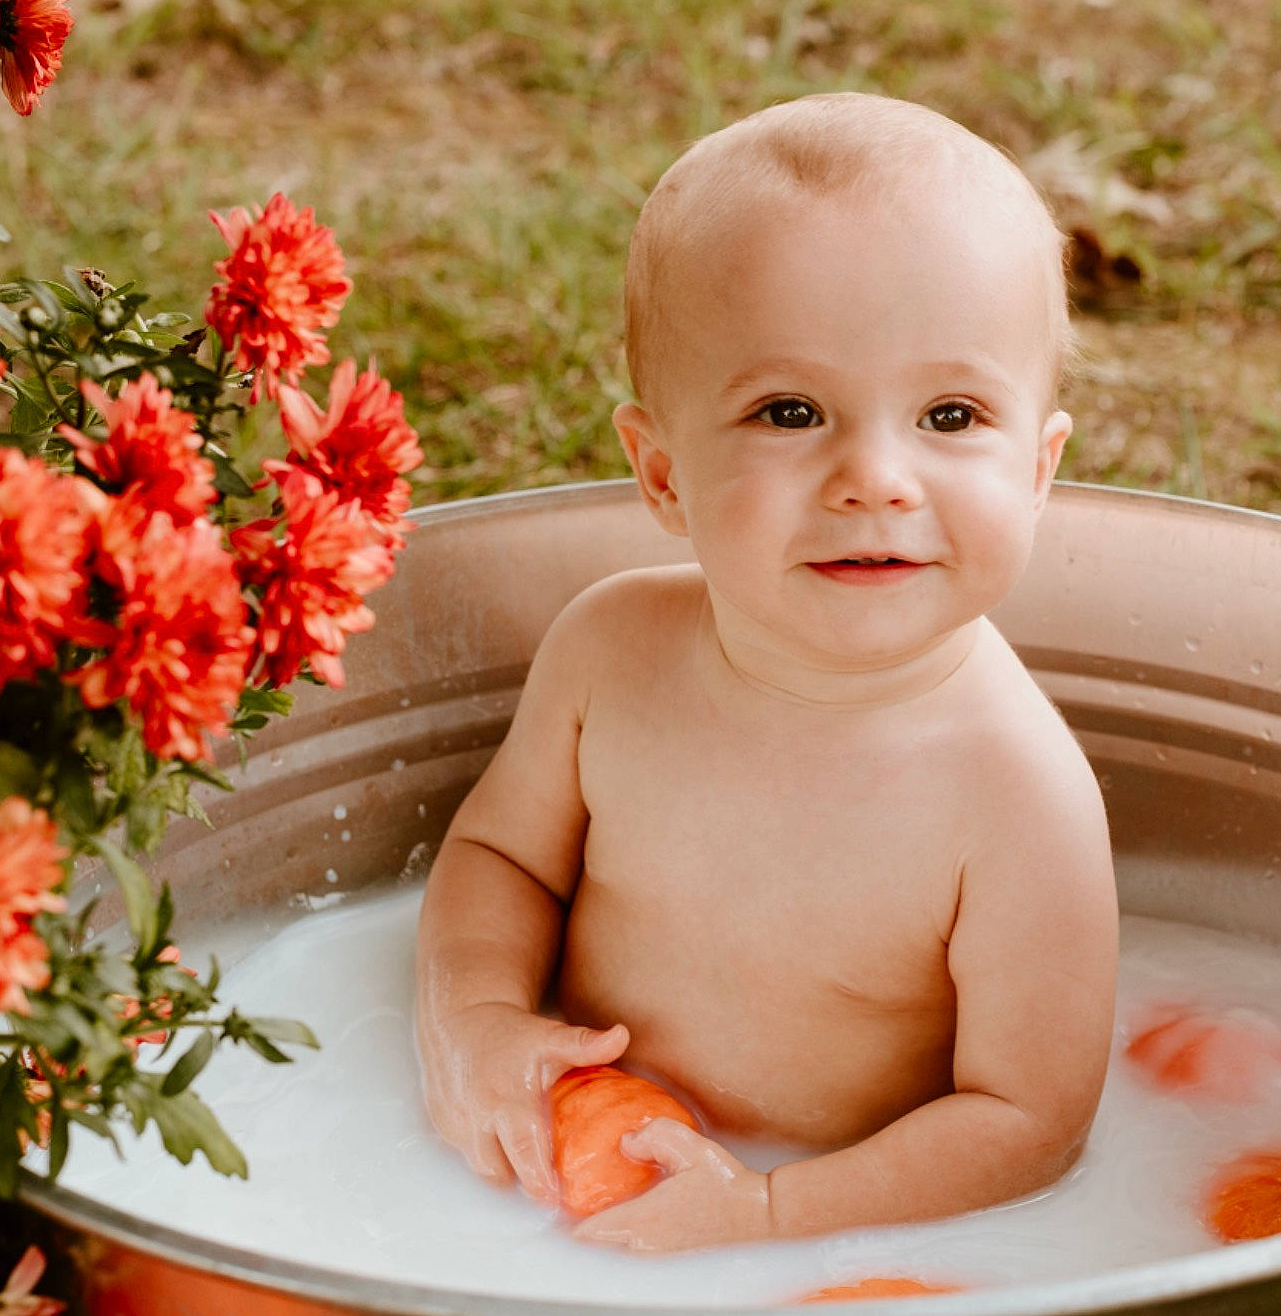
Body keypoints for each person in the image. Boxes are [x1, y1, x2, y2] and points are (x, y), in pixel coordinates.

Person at [413, 92, 1119, 1253]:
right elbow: (500, 857)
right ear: (660, 472)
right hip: (562, 1159)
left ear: (1039, 468)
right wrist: (476, 1020)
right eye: (790, 411)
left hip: (847, 1231)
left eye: (950, 412)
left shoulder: (1016, 792)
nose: (876, 477)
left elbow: (1028, 1122)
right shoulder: (608, 653)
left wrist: (770, 1210)